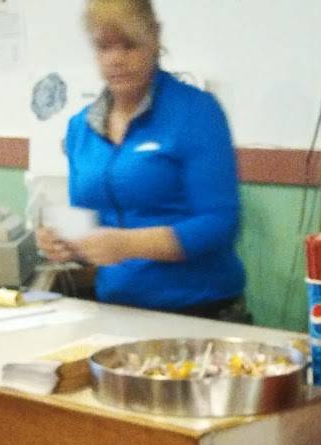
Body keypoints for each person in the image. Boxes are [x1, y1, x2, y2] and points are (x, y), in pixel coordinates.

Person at [36, 0, 247, 320]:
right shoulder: (81, 128)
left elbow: (220, 224)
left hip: (198, 310)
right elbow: (92, 224)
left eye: (129, 45)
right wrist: (62, 241)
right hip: (116, 308)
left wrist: (129, 245)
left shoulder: (197, 112)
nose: (116, 59)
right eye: (104, 47)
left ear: (155, 39)